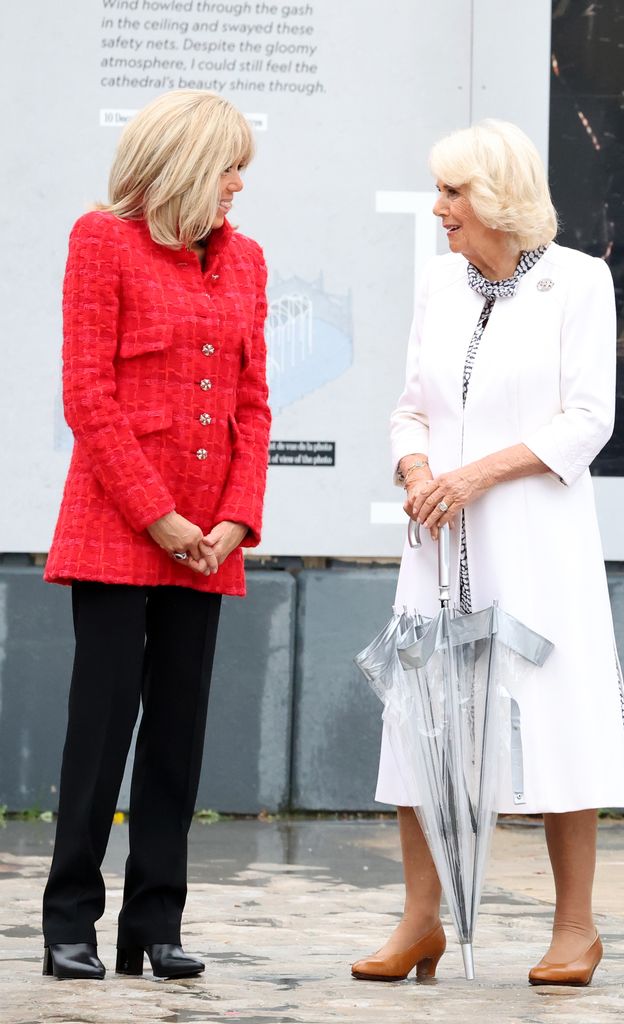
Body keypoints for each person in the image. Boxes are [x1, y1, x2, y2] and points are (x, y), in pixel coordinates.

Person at [352, 119, 624, 987]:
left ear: (498, 199)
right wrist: (414, 466)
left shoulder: (577, 282)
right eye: (438, 191)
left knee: (555, 716)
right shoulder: (440, 285)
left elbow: (588, 419)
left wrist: (473, 474)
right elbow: (411, 405)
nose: (438, 208)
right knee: (421, 720)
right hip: (437, 540)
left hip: (534, 539)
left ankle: (575, 929)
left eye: (451, 192)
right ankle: (419, 923)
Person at [41, 90, 271, 981]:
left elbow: (252, 404)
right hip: (119, 526)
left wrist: (232, 521)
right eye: (226, 166)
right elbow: (87, 397)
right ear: (180, 165)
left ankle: (155, 924)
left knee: (179, 734)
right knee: (99, 735)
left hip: (208, 537)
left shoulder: (245, 260)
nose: (238, 184)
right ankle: (70, 924)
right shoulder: (101, 241)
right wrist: (160, 516)